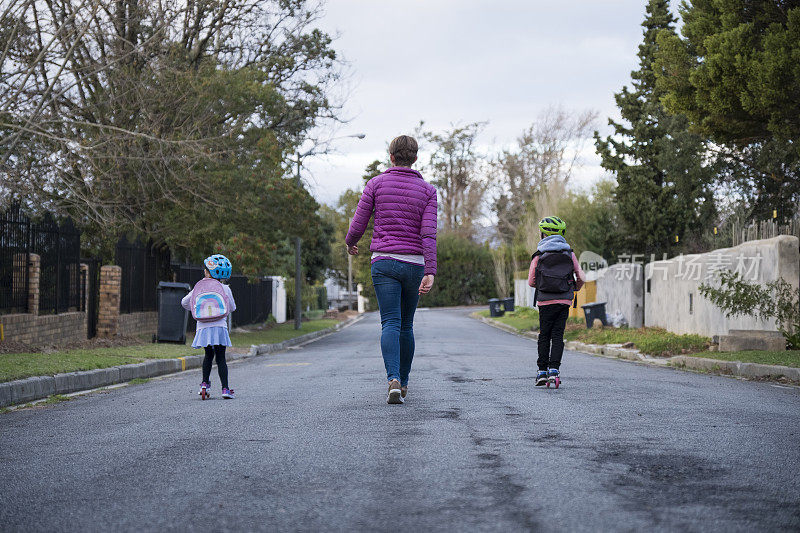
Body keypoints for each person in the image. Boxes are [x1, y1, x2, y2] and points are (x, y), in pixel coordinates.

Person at [345, 135, 438, 404]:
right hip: (414, 265)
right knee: (406, 325)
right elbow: (428, 234)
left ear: (392, 157)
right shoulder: (428, 191)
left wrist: (351, 243)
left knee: (390, 322)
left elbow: (358, 223)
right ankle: (404, 383)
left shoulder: (375, 184)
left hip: (384, 262)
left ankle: (393, 379)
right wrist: (430, 270)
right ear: (416, 159)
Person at [528, 216, 586, 386]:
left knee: (544, 335)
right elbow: (581, 276)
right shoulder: (569, 253)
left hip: (545, 301)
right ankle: (554, 370)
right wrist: (574, 287)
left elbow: (532, 281)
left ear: (543, 234)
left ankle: (541, 372)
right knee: (557, 335)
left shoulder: (539, 254)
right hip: (563, 300)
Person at [181, 254, 237, 399]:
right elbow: (232, 307)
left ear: (207, 272)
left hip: (203, 328)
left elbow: (184, 302)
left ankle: (204, 384)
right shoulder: (225, 288)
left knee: (208, 355)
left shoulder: (199, 288)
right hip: (220, 328)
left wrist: (197, 308)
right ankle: (225, 389)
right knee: (221, 357)